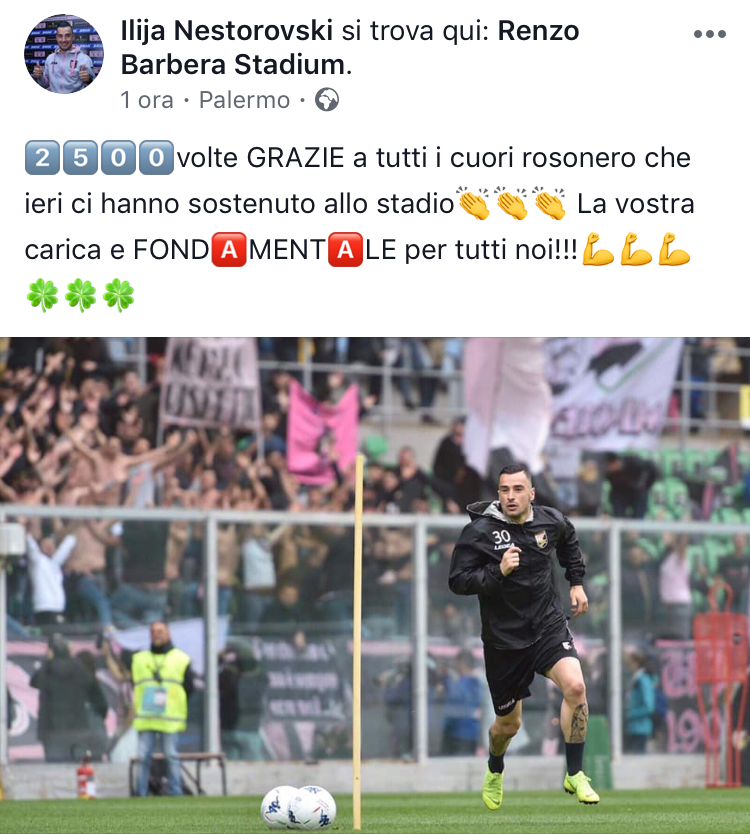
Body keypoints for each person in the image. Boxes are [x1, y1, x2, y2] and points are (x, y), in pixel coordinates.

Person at [449, 463, 599, 810]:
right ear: (498, 494)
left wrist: (576, 582)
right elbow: (457, 580)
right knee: (508, 725)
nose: (511, 496)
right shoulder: (480, 532)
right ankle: (495, 767)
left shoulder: (550, 521)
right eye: (504, 490)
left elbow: (569, 539)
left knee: (576, 687)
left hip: (547, 627)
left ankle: (575, 773)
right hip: (504, 641)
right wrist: (497, 571)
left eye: (518, 489)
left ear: (532, 493)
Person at [132, 621, 194, 797]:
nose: (156, 634)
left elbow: (189, 687)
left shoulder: (180, 659)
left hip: (169, 717)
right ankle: (140, 794)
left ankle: (175, 793)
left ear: (168, 634)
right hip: (147, 717)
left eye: (160, 631)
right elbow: (134, 684)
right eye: (153, 631)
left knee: (171, 756)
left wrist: (175, 703)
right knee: (142, 757)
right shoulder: (140, 659)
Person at [30, 634, 108, 762]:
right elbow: (99, 699)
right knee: (76, 766)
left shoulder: (47, 669)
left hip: (52, 730)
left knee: (54, 768)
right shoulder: (79, 668)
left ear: (51, 652)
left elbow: (34, 682)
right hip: (78, 728)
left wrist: (48, 661)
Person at [32, 21, 96, 95]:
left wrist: (88, 80)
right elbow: (45, 84)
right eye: (60, 36)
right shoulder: (50, 59)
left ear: (73, 37)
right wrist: (40, 77)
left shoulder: (85, 59)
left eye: (67, 35)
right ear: (56, 38)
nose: (63, 40)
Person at [624, 650, 656, 753]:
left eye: (629, 663)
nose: (628, 667)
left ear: (636, 664)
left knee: (638, 756)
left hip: (640, 728)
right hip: (633, 727)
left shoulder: (643, 680)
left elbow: (649, 707)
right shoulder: (635, 679)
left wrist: (631, 714)